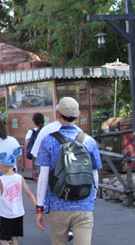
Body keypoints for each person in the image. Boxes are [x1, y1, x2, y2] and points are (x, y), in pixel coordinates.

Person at [35, 97, 102, 245]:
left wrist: (40, 208)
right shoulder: (89, 141)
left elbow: (43, 176)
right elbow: (95, 175)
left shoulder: (48, 141)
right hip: (84, 204)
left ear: (58, 115)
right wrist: (92, 198)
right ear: (77, 116)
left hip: (58, 203)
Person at [0, 148, 36, 245]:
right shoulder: (20, 178)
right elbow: (29, 193)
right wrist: (37, 206)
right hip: (18, 213)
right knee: (14, 237)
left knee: (4, 239)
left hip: (6, 214)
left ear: (2, 166)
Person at [26, 112, 45, 180]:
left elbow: (27, 144)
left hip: (36, 158)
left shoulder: (31, 131)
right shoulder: (46, 130)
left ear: (34, 121)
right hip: (45, 157)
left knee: (38, 178)